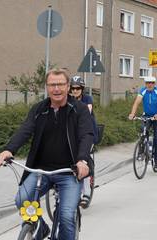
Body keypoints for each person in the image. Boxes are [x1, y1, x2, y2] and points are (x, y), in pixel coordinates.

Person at [0, 68, 94, 240]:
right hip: (40, 171)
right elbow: (25, 130)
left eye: (61, 84)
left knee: (65, 216)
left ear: (68, 86)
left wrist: (82, 161)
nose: (56, 89)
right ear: (47, 87)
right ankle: (40, 229)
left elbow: (86, 135)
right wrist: (9, 149)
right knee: (22, 200)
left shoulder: (79, 109)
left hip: (69, 172)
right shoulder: (39, 109)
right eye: (52, 85)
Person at [69, 75, 97, 208]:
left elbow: (86, 111)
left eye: (77, 88)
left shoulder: (87, 99)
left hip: (88, 133)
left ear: (82, 89)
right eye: (73, 88)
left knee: (83, 160)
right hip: (73, 134)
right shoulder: (68, 100)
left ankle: (86, 193)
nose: (75, 91)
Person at [128, 76, 157, 172]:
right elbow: (136, 103)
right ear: (145, 84)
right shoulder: (143, 91)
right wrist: (132, 114)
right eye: (148, 83)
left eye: (152, 83)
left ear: (154, 84)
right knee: (142, 131)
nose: (150, 84)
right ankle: (141, 153)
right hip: (147, 115)